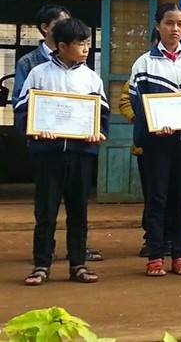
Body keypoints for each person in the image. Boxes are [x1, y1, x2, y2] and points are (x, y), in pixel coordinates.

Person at [16, 18, 108, 285]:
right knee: (45, 212)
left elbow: (101, 113)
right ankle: (41, 265)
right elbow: (23, 109)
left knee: (79, 212)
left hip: (81, 154)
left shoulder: (91, 78)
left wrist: (97, 132)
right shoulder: (39, 74)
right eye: (80, 44)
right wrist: (34, 130)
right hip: (48, 154)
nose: (86, 48)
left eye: (88, 43)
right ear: (62, 46)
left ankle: (78, 264)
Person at [129, 3, 181, 276]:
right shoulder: (144, 63)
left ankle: (180, 254)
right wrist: (155, 126)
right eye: (169, 23)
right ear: (158, 25)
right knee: (157, 198)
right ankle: (155, 255)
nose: (175, 29)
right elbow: (137, 103)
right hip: (157, 142)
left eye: (180, 24)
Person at [120, 29, 162, 258]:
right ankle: (151, 239)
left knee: (174, 196)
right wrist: (142, 120)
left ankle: (170, 240)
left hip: (175, 142)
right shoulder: (142, 70)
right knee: (153, 195)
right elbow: (125, 102)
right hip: (146, 145)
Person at [13, 4, 70, 100]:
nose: (67, 28)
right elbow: (19, 100)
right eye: (61, 24)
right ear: (45, 27)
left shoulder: (76, 59)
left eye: (68, 24)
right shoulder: (27, 62)